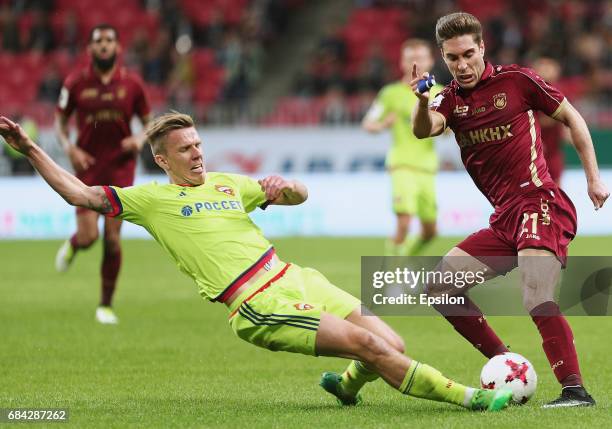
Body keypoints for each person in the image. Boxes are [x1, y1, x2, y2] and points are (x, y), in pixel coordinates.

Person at [0, 113, 513, 412]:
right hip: (255, 302)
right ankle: (471, 398)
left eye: (198, 144)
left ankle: (345, 386)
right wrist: (29, 150)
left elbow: (301, 195)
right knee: (368, 343)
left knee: (391, 344)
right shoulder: (150, 201)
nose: (197, 154)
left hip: (295, 275)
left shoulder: (228, 183)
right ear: (162, 160)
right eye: (185, 149)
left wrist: (285, 188)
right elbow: (82, 194)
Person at [410, 12, 609, 408]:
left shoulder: (518, 81)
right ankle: (506, 363)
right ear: (443, 59)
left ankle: (575, 390)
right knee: (440, 287)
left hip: (539, 201)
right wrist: (419, 101)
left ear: (483, 48)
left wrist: (593, 178)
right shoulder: (448, 99)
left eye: (469, 54)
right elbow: (424, 130)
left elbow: (571, 116)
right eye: (453, 59)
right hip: (504, 218)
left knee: (536, 292)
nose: (462, 65)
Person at [54, 24, 151, 324]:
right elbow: (59, 122)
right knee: (89, 236)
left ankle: (105, 306)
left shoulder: (133, 84)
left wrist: (138, 139)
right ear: (90, 49)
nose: (105, 45)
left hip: (121, 169)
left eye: (110, 40)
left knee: (112, 239)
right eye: (99, 41)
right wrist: (69, 147)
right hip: (88, 168)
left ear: (118, 48)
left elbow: (150, 122)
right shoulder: (76, 83)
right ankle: (74, 244)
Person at [362, 39, 443, 257]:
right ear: (401, 63)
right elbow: (368, 123)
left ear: (431, 61)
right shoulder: (390, 93)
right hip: (402, 165)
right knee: (404, 223)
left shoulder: (441, 93)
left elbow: (449, 128)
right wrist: (381, 125)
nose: (416, 63)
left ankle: (405, 258)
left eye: (421, 58)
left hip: (427, 167)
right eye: (410, 59)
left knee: (430, 231)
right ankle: (393, 279)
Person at [532, 57, 566, 186]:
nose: (545, 71)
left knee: (556, 189)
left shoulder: (560, 91)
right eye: (542, 67)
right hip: (533, 154)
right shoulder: (529, 92)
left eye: (548, 68)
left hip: (553, 152)